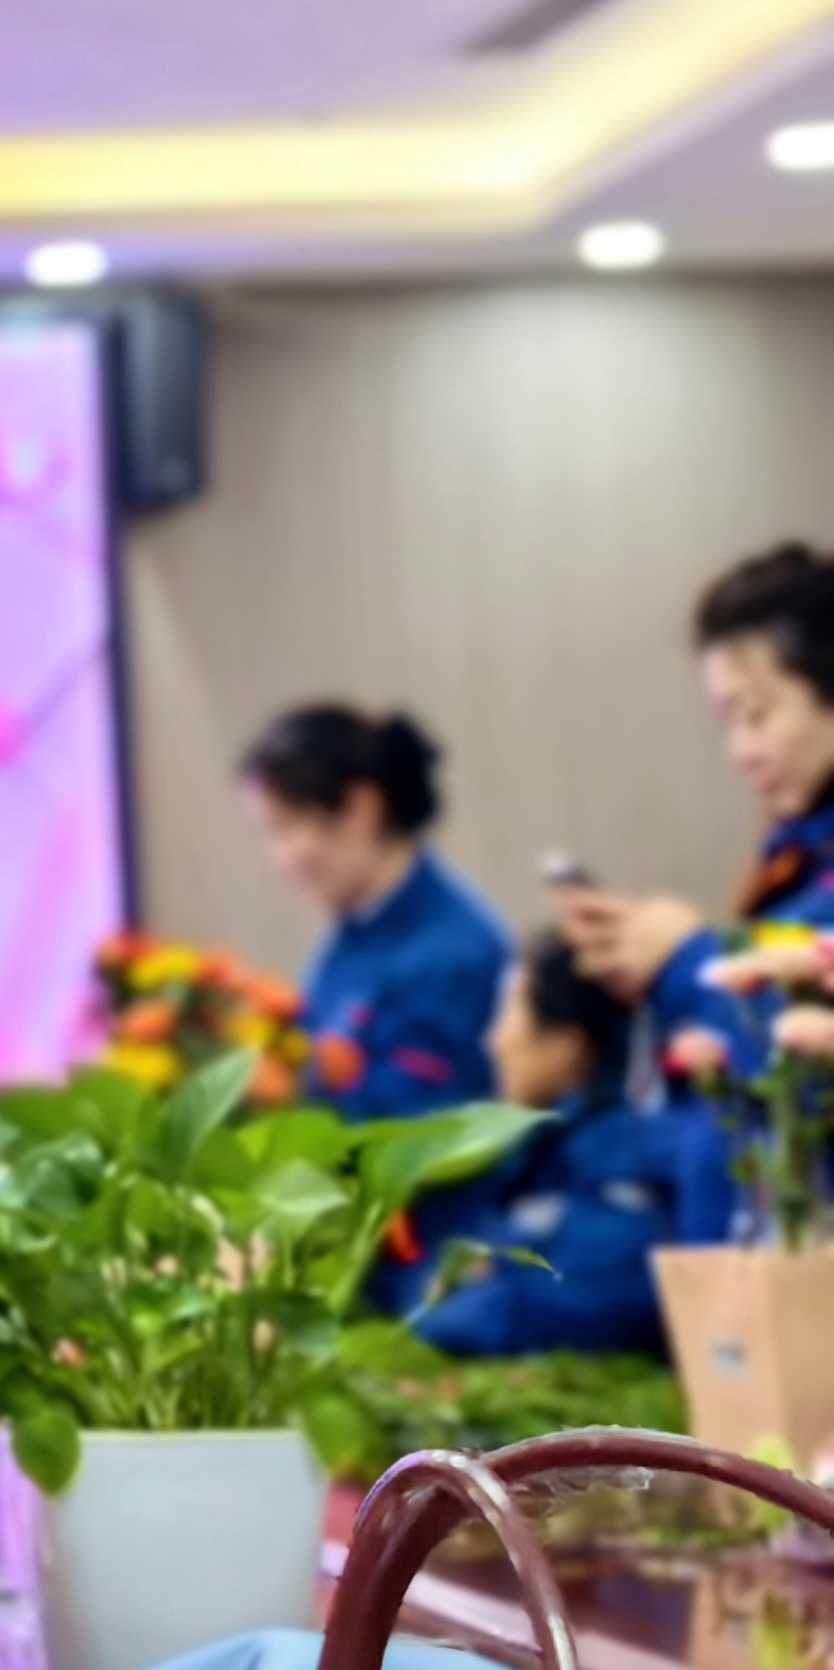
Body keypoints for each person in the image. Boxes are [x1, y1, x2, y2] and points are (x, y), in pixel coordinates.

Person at [559, 543, 834, 1084]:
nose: (741, 751)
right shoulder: (793, 849)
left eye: (756, 715)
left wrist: (686, 958)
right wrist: (647, 972)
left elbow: (798, 1064)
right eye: (727, 723)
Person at [413, 934, 738, 1358]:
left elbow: (574, 1306)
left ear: (565, 1044)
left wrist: (453, 1305)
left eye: (509, 1015)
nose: (492, 1041)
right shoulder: (553, 1142)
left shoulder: (630, 1155)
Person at [239, 705, 514, 1121]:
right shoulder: (355, 930)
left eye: (287, 827)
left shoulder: (455, 953)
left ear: (361, 809)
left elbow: (419, 1139)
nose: (279, 859)